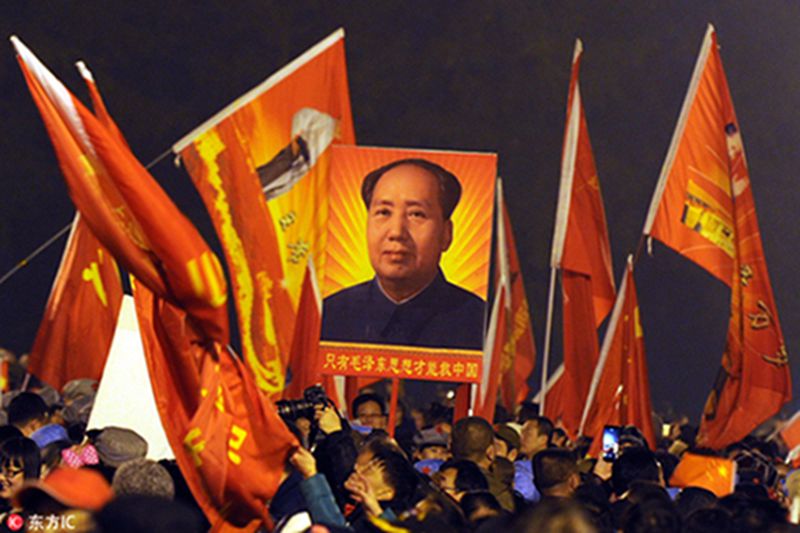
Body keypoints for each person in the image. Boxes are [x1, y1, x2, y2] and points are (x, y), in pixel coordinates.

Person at [321, 158, 485, 350]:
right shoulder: (329, 316)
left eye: (416, 214)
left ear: (446, 234)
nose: (397, 232)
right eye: (384, 212)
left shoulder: (481, 324)